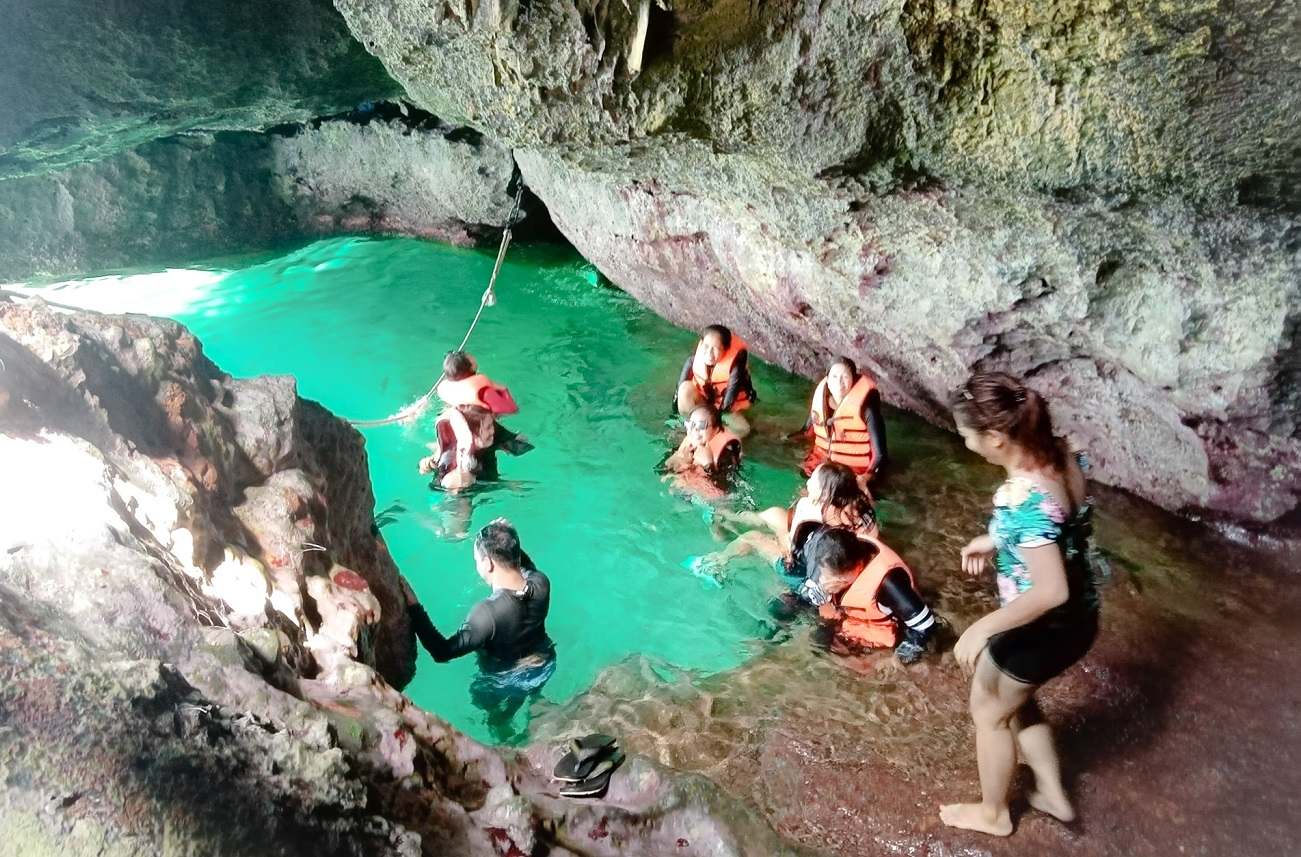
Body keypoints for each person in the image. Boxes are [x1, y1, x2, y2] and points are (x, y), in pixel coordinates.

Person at [939, 372, 1100, 836]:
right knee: (1015, 699)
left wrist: (983, 627)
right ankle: (1051, 792)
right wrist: (995, 540)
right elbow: (1056, 526)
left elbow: (1051, 591)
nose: (966, 443)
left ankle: (994, 814)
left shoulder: (1020, 496)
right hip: (1079, 620)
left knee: (988, 711)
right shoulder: (1062, 454)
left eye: (966, 435)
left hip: (1043, 625)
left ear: (994, 439)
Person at [404, 518, 556, 739]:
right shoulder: (541, 583)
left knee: (484, 701)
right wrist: (505, 537)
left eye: (477, 560)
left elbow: (442, 651)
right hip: (543, 664)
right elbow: (525, 566)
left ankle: (505, 736)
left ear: (488, 564)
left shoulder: (488, 613)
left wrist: (413, 606)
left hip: (505, 680)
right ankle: (537, 706)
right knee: (528, 686)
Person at [692, 461, 878, 580]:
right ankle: (727, 517)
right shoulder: (863, 512)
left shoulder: (811, 507)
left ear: (824, 493)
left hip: (803, 573)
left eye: (813, 479)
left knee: (752, 537)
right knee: (776, 515)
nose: (808, 482)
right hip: (838, 567)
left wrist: (778, 542)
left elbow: (791, 549)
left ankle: (717, 563)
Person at [792, 526, 938, 663]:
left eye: (834, 578)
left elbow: (925, 626)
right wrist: (823, 596)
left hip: (881, 630)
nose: (825, 580)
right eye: (824, 574)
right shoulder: (826, 554)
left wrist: (898, 660)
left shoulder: (888, 584)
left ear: (858, 566)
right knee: (816, 643)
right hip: (851, 619)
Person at [418, 351, 532, 491]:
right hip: (476, 482)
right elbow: (520, 447)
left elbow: (440, 453)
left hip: (447, 481)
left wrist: (429, 462)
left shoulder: (442, 422)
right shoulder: (488, 427)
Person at [798, 356, 887, 484]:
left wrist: (865, 478)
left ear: (853, 379)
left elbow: (880, 455)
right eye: (834, 377)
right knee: (805, 478)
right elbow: (806, 432)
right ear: (827, 380)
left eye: (845, 377)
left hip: (854, 470)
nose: (839, 383)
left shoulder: (867, 409)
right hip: (823, 462)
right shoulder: (821, 403)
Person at [674, 324, 757, 436]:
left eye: (716, 349)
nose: (709, 353)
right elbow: (679, 389)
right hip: (704, 399)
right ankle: (689, 425)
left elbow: (728, 403)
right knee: (684, 390)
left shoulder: (736, 367)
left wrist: (714, 421)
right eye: (706, 346)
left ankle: (715, 436)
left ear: (726, 350)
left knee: (743, 429)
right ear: (701, 344)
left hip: (725, 407)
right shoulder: (694, 359)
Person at [661, 405, 742, 498]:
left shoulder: (725, 457)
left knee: (723, 511)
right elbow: (660, 471)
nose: (695, 429)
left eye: (702, 425)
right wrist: (679, 457)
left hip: (708, 497)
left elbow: (726, 489)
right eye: (691, 424)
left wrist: (709, 466)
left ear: (716, 430)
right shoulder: (685, 449)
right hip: (684, 492)